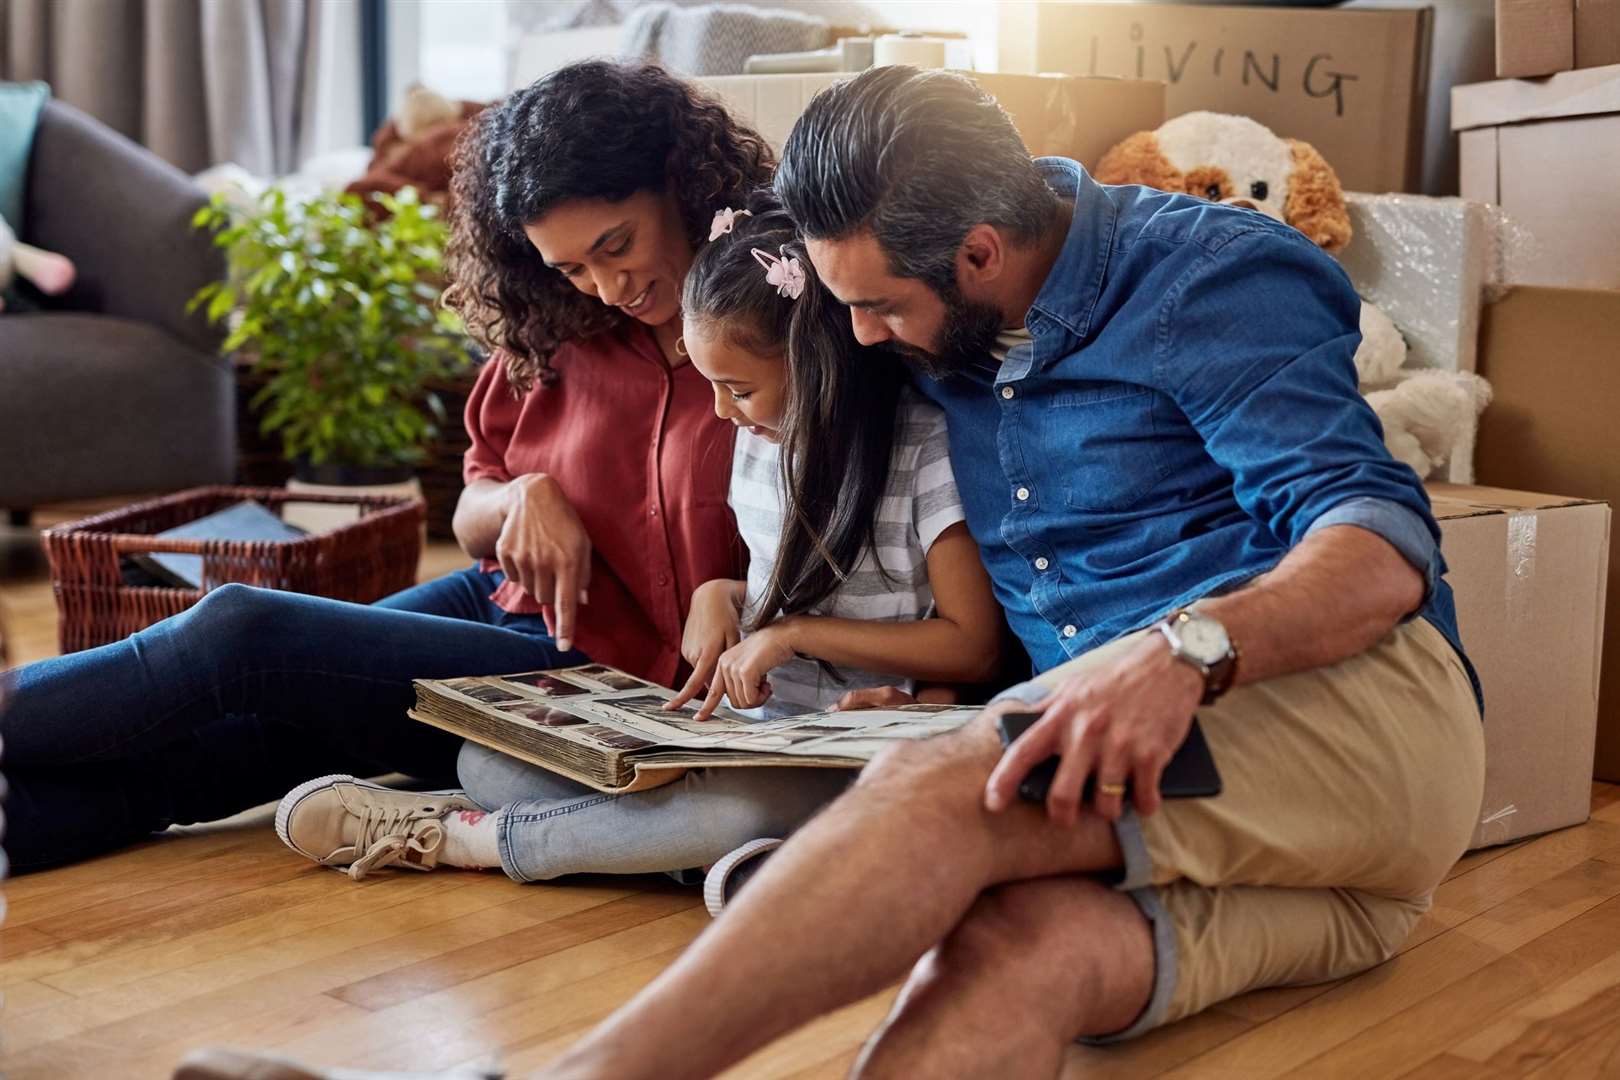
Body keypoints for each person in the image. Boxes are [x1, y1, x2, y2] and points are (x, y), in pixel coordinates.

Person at [539, 66, 1487, 1078]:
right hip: (1309, 881)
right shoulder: (942, 311)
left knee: (941, 791)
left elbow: (1379, 545)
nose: (861, 335)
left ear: (979, 252)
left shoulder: (1207, 277)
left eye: (880, 307)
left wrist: (1179, 655)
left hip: (1352, 722)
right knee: (1015, 952)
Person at [0, 60, 770, 873]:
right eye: (571, 266)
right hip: (498, 603)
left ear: (679, 184)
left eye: (617, 246)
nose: (608, 287)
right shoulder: (559, 325)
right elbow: (473, 512)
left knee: (247, 633)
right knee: (250, 743)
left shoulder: (775, 336)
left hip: (607, 678)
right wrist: (519, 499)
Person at [272, 191, 1004, 889]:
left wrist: (793, 634)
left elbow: (971, 644)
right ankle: (717, 858)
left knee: (747, 809)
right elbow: (788, 589)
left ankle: (470, 841)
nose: (721, 412)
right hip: (752, 737)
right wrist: (724, 595)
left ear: (819, 364)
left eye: (738, 390)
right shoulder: (760, 442)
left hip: (850, 752)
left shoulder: (922, 450)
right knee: (485, 760)